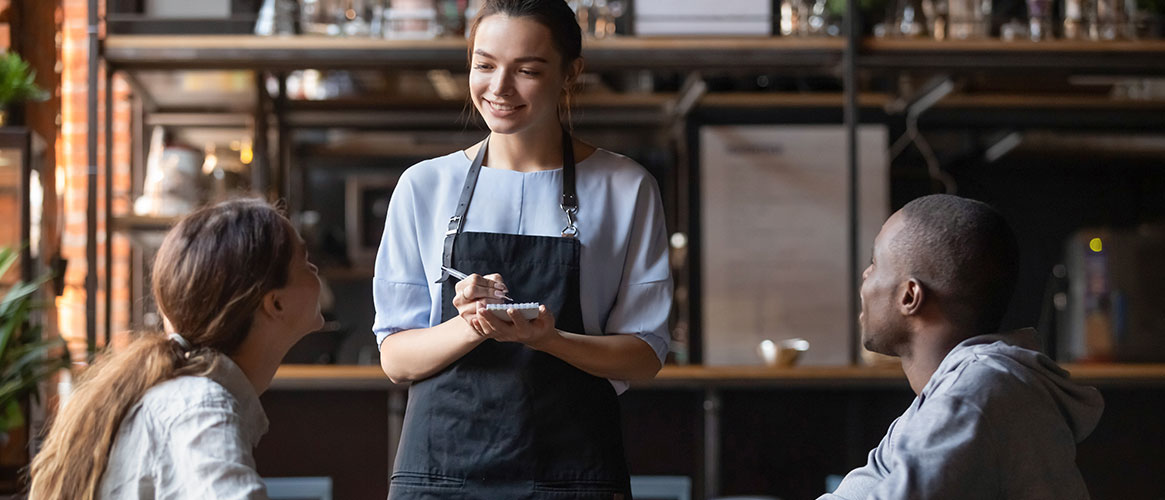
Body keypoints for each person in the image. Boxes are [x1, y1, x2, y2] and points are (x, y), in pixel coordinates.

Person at [373, 0, 672, 497]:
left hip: (573, 472)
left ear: (570, 73)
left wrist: (549, 339)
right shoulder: (423, 187)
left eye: (527, 70)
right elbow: (397, 359)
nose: (499, 88)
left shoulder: (625, 186)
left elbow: (643, 355)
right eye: (485, 65)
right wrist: (472, 323)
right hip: (442, 474)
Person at [30, 199, 324, 500]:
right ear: (275, 304)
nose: (315, 268)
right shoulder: (202, 407)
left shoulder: (185, 396)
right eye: (304, 261)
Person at [820, 194, 1104, 500]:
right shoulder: (936, 405)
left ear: (909, 296)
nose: (865, 276)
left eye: (874, 263)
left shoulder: (976, 394)